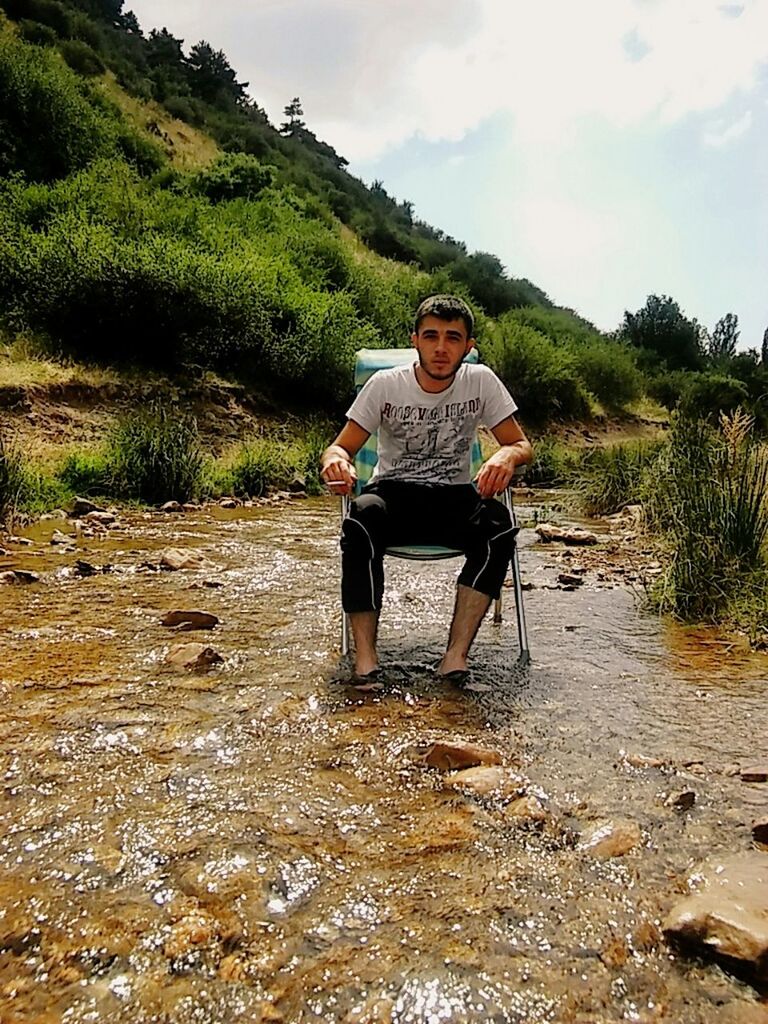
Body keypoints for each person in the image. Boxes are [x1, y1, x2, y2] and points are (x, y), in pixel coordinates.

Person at [320, 294, 532, 683]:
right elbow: (339, 446)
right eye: (431, 335)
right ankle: (366, 659)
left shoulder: (481, 381)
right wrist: (336, 461)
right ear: (414, 339)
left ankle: (454, 657)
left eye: (453, 338)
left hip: (453, 495)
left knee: (499, 527)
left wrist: (506, 456)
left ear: (468, 347)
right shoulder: (385, 385)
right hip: (393, 494)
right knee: (360, 521)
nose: (440, 347)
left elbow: (520, 444)